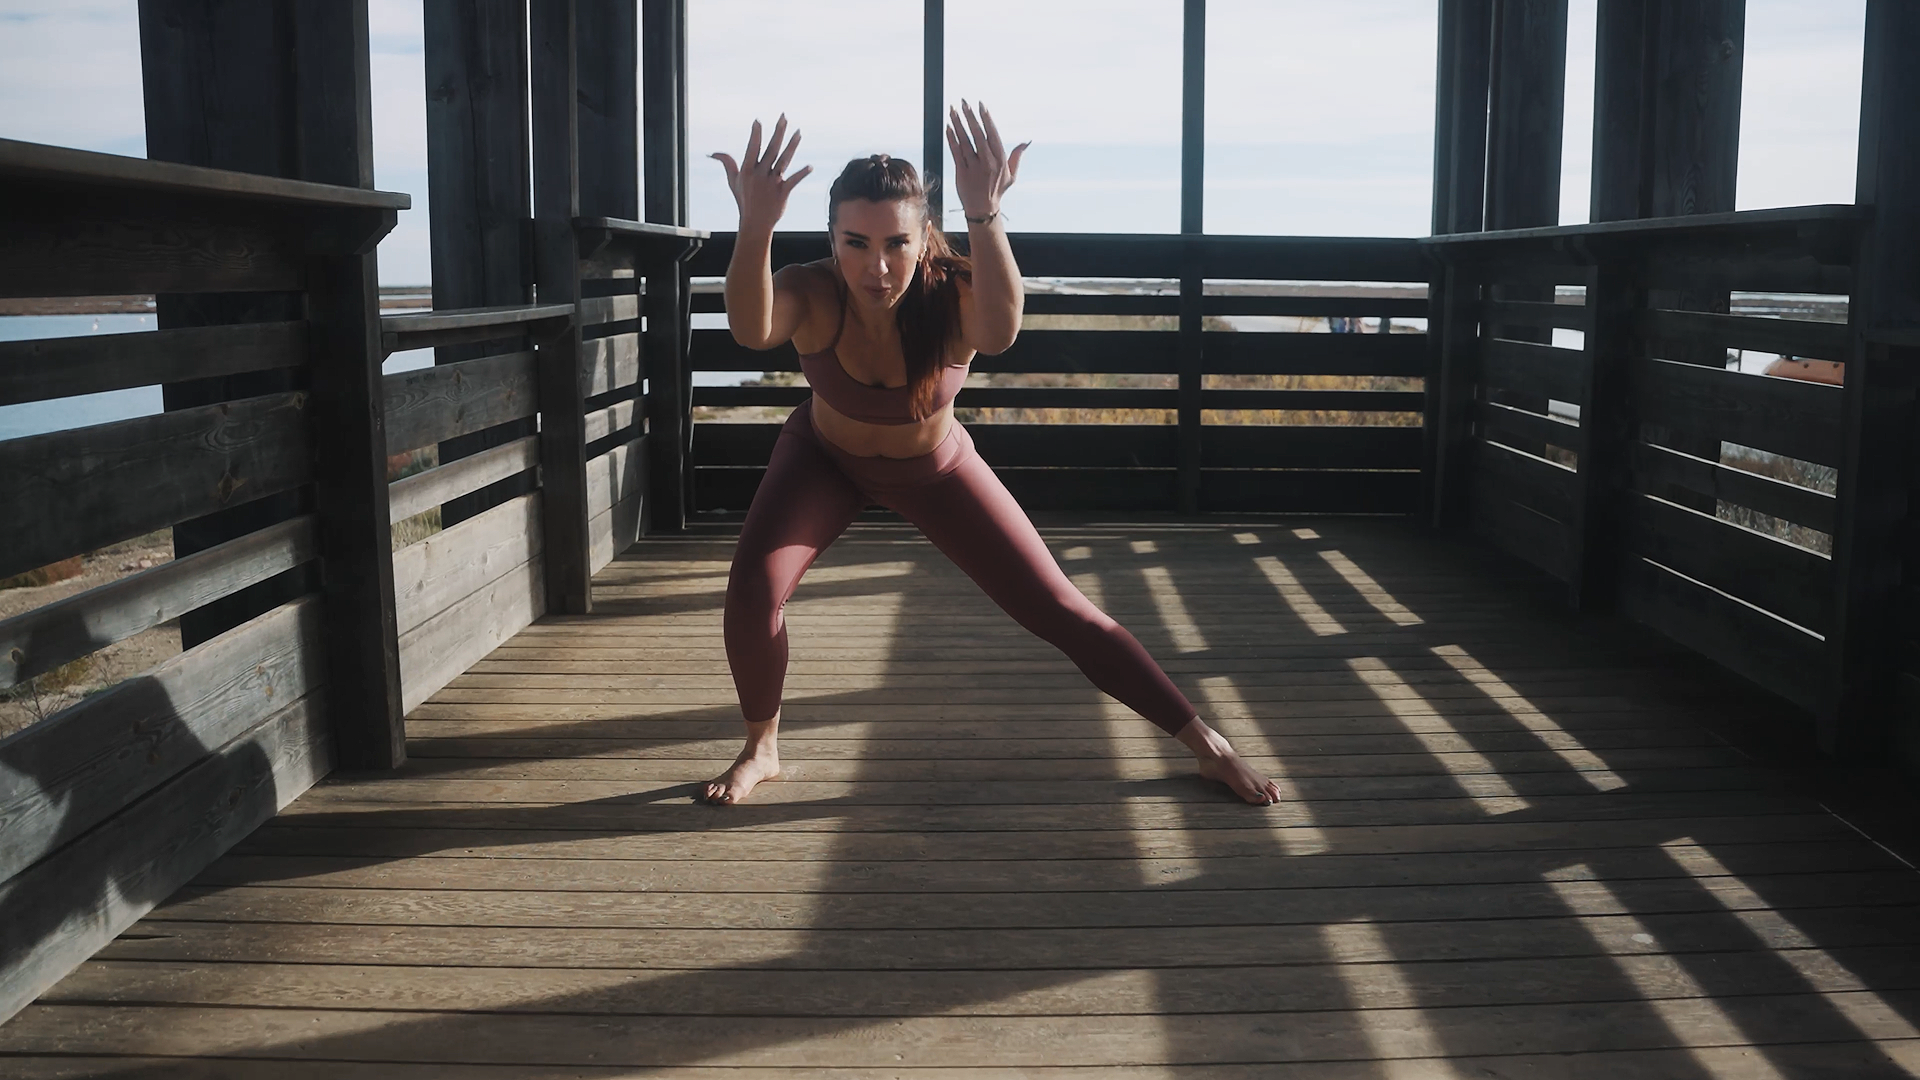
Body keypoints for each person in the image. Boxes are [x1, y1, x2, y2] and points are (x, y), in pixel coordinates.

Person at [703, 102, 1281, 807]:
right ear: (831, 237)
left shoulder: (953, 293)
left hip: (935, 469)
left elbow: (1002, 332)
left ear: (924, 240)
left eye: (896, 245)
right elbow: (750, 325)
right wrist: (755, 223)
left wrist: (985, 212)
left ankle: (1208, 747)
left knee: (1061, 609)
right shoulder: (814, 290)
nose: (876, 267)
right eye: (855, 243)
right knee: (752, 593)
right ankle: (762, 747)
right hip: (824, 458)